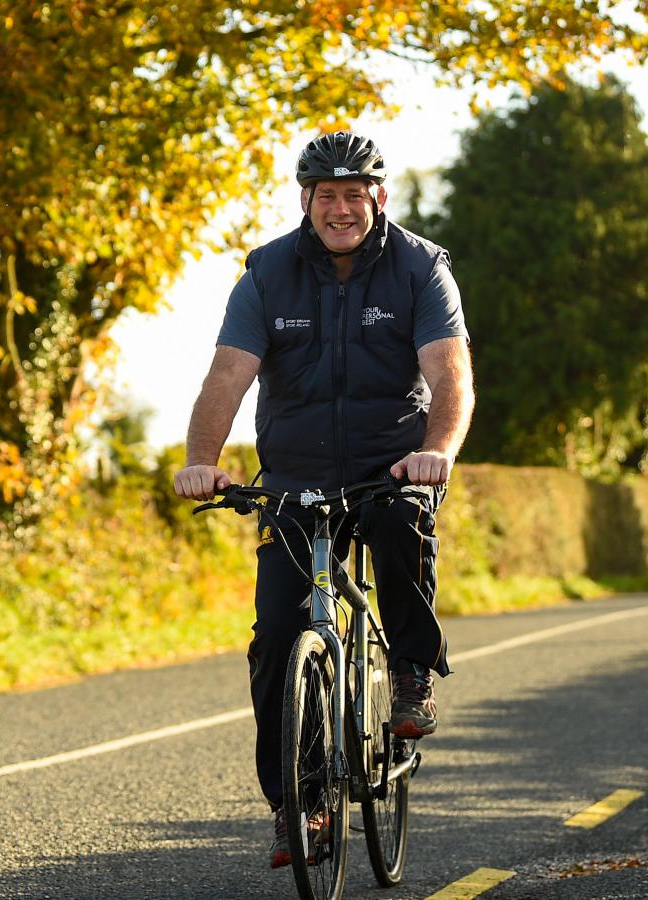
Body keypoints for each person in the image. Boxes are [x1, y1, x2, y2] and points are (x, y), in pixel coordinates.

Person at [171, 131, 475, 869]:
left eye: (353, 194)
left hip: (389, 466)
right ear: (305, 200)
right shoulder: (269, 273)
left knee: (403, 528)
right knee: (277, 632)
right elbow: (227, 375)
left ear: (378, 197)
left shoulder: (419, 268)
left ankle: (408, 673)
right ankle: (294, 807)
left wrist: (437, 452)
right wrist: (202, 461)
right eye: (325, 195)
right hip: (294, 475)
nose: (340, 209)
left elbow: (450, 373)